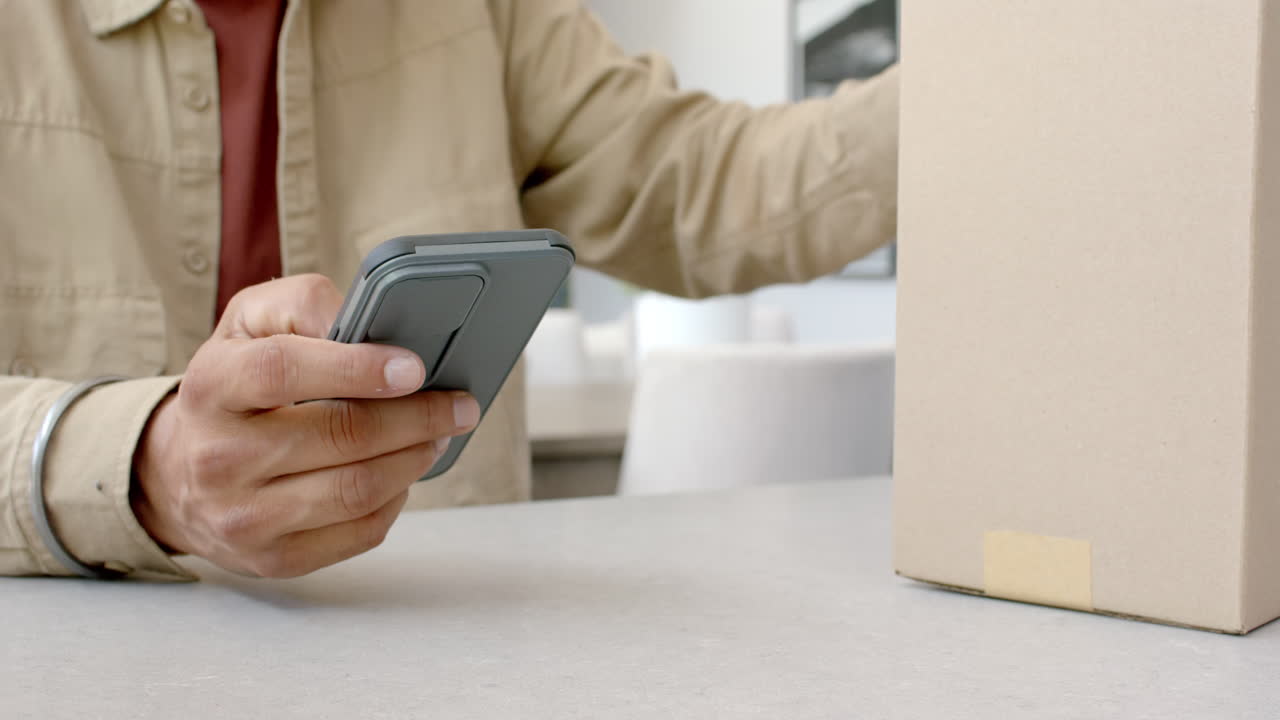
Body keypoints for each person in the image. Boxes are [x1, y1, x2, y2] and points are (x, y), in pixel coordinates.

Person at [0, 0, 898, 581]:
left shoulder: (485, 14)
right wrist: (137, 464)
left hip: (437, 650)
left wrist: (989, 69)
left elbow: (706, 186)